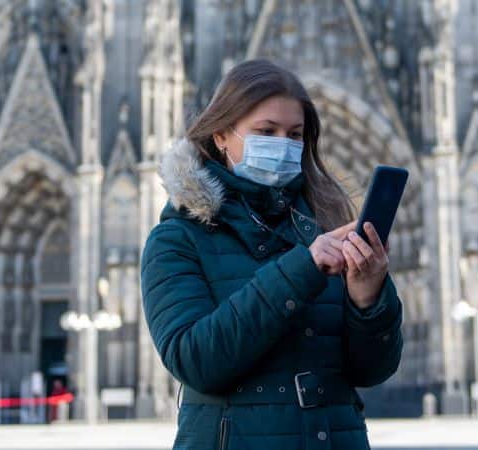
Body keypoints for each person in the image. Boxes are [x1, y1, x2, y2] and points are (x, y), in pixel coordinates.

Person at [141, 59, 403, 450]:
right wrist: (303, 267)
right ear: (221, 135)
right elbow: (195, 361)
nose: (283, 146)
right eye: (266, 131)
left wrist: (368, 299)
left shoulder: (323, 227)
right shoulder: (176, 239)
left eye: (295, 135)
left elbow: (371, 369)